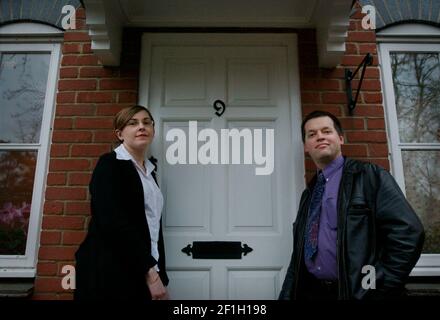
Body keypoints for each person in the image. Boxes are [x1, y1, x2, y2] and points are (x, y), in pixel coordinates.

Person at [279, 110, 424, 300]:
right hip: (314, 292)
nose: (320, 136)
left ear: (340, 139)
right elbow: (298, 254)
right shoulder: (310, 194)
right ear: (306, 146)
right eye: (312, 134)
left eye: (326, 131)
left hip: (357, 294)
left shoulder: (369, 177)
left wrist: (375, 288)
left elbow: (408, 232)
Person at [74, 105, 169, 300]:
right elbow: (113, 223)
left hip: (143, 269)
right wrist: (151, 275)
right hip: (111, 271)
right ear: (120, 134)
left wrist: (160, 274)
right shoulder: (110, 165)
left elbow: (152, 227)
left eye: (146, 122)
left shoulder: (150, 173)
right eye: (133, 123)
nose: (142, 127)